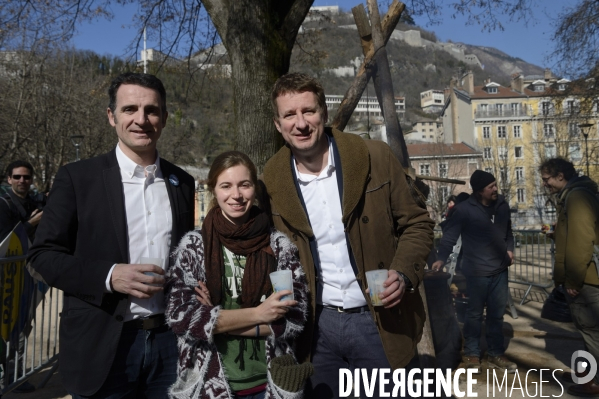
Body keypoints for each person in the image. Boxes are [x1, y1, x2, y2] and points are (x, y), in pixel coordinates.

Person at [263, 72, 435, 398]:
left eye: (308, 111)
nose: (300, 123)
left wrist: (402, 274)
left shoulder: (374, 157)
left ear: (324, 114)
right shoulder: (271, 181)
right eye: (289, 115)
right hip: (317, 328)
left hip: (378, 320)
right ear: (277, 124)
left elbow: (418, 223)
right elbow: (270, 253)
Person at [28, 73, 195, 398]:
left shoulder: (182, 182)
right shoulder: (78, 178)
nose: (141, 119)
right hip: (102, 347)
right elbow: (42, 256)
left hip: (169, 346)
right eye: (130, 108)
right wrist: (109, 275)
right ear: (111, 116)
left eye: (152, 110)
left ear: (164, 117)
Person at [166, 151, 311, 399]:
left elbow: (295, 317)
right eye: (226, 186)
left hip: (271, 382)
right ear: (213, 190)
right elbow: (181, 317)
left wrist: (217, 320)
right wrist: (258, 314)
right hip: (209, 383)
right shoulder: (193, 248)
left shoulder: (279, 246)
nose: (236, 195)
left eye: (244, 185)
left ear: (255, 188)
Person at [432, 170, 516, 372]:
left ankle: (496, 353)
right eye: (491, 187)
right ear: (479, 191)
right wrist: (441, 258)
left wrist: (510, 249)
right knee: (474, 314)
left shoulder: (502, 205)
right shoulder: (464, 210)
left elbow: (508, 231)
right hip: (476, 271)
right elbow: (450, 236)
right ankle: (472, 354)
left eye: (495, 185)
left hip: (500, 270)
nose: (495, 189)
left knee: (496, 315)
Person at [539, 158, 599, 396]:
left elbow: (582, 241)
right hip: (587, 276)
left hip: (586, 280)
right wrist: (558, 234)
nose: (545, 185)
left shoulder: (576, 198)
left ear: (560, 176)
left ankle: (594, 381)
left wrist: (573, 280)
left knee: (591, 331)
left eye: (547, 180)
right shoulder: (576, 195)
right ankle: (589, 375)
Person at [0, 160, 44, 242]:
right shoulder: (3, 204)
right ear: (9, 179)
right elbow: (5, 241)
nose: (22, 181)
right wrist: (31, 223)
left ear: (31, 180)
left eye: (26, 177)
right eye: (17, 177)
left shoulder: (35, 203)